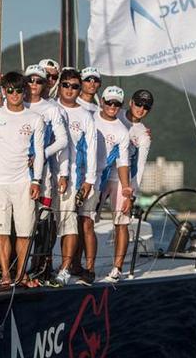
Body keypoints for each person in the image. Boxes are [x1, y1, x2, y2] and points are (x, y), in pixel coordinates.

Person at [0, 71, 45, 287]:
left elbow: (39, 152)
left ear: (24, 91)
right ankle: (6, 276)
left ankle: (20, 275)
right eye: (9, 90)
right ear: (4, 91)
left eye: (19, 90)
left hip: (24, 183)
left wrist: (36, 180)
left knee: (24, 232)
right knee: (0, 233)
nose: (14, 94)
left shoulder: (35, 119)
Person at [23, 64, 69, 284]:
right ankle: (18, 267)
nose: (34, 84)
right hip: (17, 174)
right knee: (20, 222)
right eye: (30, 80)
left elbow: (63, 141)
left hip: (44, 174)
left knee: (44, 223)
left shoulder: (51, 109)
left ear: (45, 84)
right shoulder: (13, 103)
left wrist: (39, 154)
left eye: (39, 81)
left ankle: (42, 267)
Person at [54, 68, 99, 286]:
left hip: (72, 179)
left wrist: (89, 180)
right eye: (66, 85)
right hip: (45, 179)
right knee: (45, 226)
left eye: (74, 86)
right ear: (59, 86)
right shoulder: (50, 109)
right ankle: (41, 267)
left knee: (69, 225)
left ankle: (64, 269)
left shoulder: (85, 116)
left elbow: (91, 149)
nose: (70, 90)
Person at [94, 86, 132, 283]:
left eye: (117, 104)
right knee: (87, 221)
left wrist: (127, 192)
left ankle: (117, 268)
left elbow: (123, 162)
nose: (112, 106)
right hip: (94, 178)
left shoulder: (121, 130)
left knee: (122, 222)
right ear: (102, 101)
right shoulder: (91, 118)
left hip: (116, 178)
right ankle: (83, 264)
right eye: (109, 102)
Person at [118, 89, 154, 194]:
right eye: (138, 104)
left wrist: (133, 192)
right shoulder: (116, 113)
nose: (141, 109)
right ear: (130, 102)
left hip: (123, 180)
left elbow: (140, 166)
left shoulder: (145, 134)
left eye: (146, 107)